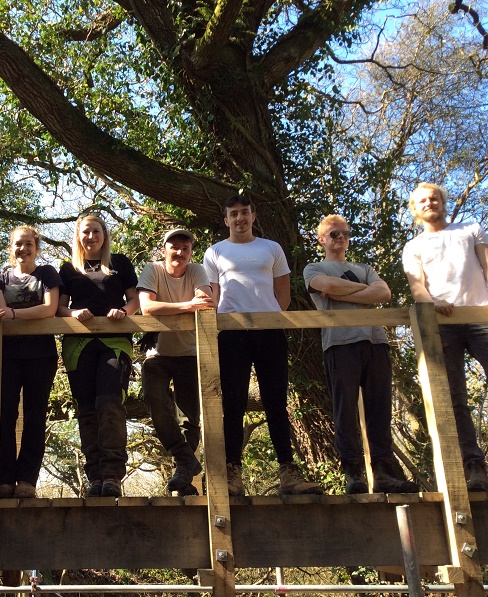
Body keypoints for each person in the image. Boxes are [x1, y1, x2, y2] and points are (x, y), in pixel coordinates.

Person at [203, 196, 322, 497]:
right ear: (226, 220)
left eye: (244, 213)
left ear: (253, 216)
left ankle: (288, 473)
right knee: (233, 403)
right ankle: (232, 474)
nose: (240, 218)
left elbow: (282, 293)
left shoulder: (271, 248)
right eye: (233, 214)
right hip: (232, 332)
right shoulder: (215, 252)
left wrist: (268, 316)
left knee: (276, 402)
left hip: (270, 332)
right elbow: (212, 297)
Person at [304, 215, 418, 494]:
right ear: (322, 239)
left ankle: (383, 474)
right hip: (340, 344)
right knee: (345, 410)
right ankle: (353, 473)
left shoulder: (364, 266)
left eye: (344, 233)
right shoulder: (314, 268)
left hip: (376, 342)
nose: (340, 237)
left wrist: (348, 293)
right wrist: (364, 291)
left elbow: (384, 293)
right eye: (333, 234)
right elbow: (329, 287)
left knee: (380, 409)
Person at [402, 182, 488, 491]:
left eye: (434, 198)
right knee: (455, 397)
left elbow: (486, 265)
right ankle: (474, 466)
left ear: (443, 202)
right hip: (444, 321)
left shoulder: (470, 229)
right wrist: (431, 303)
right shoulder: (414, 246)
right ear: (416, 209)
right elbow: (417, 286)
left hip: (480, 315)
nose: (430, 203)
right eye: (423, 200)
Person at [58, 214, 139, 497]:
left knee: (110, 403)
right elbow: (59, 307)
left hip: (115, 342)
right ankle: (94, 476)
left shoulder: (120, 263)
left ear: (104, 235)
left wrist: (125, 312)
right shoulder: (68, 269)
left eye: (95, 231)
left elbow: (135, 299)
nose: (90, 237)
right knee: (87, 409)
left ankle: (113, 474)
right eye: (85, 232)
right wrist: (72, 313)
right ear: (78, 237)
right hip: (78, 346)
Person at [138, 229, 214, 496]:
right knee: (154, 399)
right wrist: (187, 305)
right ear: (164, 250)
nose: (179, 252)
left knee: (189, 416)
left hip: (190, 352)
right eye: (174, 247)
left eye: (185, 248)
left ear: (191, 252)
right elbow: (147, 307)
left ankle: (183, 471)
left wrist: (189, 304)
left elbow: (205, 303)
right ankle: (184, 458)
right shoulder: (153, 269)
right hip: (157, 353)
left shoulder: (196, 271)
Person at [0, 226, 62, 499]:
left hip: (40, 355)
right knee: (5, 415)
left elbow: (49, 309)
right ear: (11, 247)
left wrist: (13, 313)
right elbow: (0, 311)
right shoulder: (1, 278)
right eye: (18, 244)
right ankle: (5, 479)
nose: (23, 249)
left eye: (28, 244)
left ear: (37, 247)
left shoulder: (47, 273)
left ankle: (27, 480)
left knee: (35, 415)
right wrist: (11, 313)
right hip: (7, 355)